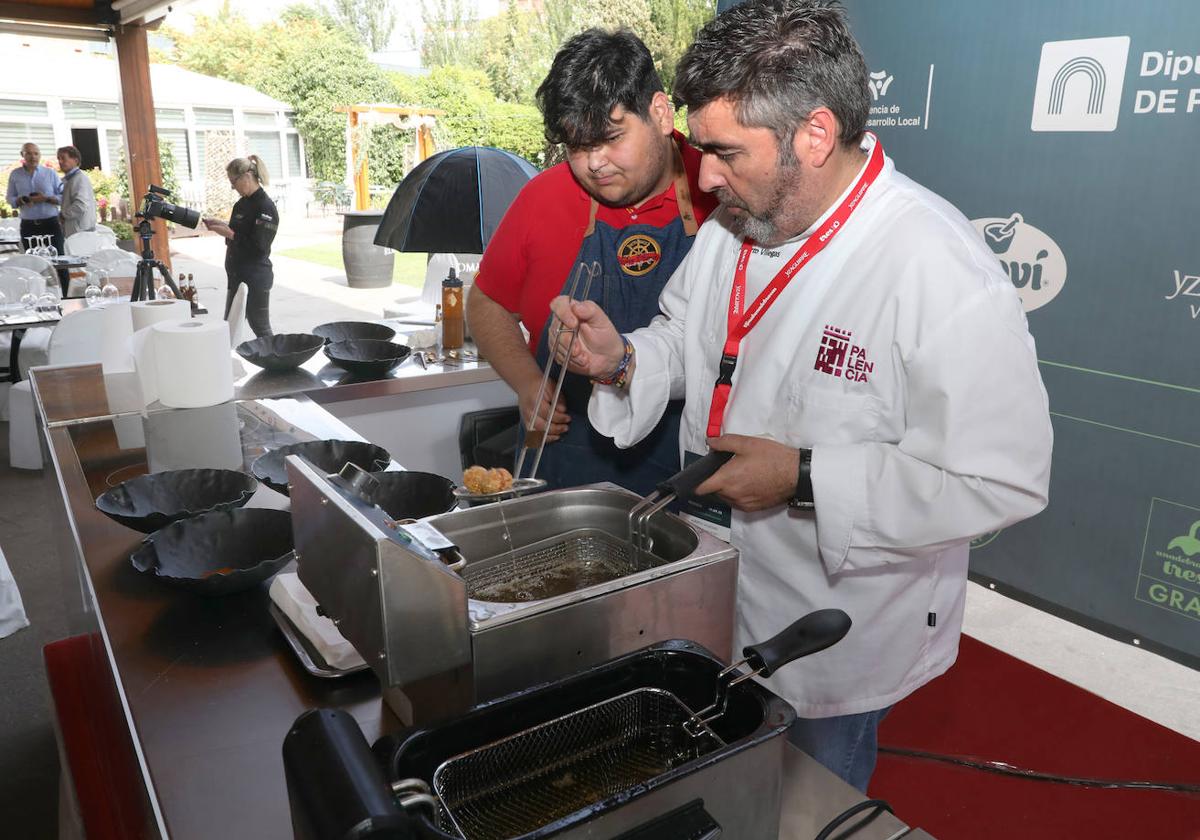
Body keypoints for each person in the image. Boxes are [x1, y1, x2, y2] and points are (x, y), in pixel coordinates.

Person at [550, 0, 1053, 792]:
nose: (702, 175)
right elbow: (685, 337)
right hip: (715, 585)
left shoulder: (937, 268)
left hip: (832, 619)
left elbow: (1003, 478)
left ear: (814, 136)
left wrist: (805, 476)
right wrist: (619, 362)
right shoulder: (738, 223)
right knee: (715, 786)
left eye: (721, 151)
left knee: (803, 801)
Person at [467, 28, 717, 496]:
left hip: (680, 479)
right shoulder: (543, 197)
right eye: (577, 146)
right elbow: (485, 302)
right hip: (562, 467)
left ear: (660, 113)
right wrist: (527, 383)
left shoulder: (721, 191)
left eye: (610, 138)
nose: (594, 164)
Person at [203, 155, 278, 338]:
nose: (233, 187)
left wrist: (229, 234)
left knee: (260, 327)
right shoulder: (241, 204)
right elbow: (237, 233)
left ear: (246, 176)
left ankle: (278, 363)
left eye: (233, 182)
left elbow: (259, 247)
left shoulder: (265, 207)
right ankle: (223, 364)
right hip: (236, 275)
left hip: (255, 277)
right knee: (229, 325)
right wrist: (220, 224)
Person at [6, 143, 63, 256]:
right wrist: (20, 200)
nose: (33, 157)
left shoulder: (50, 173)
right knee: (32, 262)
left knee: (59, 258)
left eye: (36, 153)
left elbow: (63, 196)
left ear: (40, 155)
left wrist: (45, 198)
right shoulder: (15, 174)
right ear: (22, 155)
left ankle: (61, 275)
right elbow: (9, 197)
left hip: (50, 223)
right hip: (28, 225)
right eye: (29, 153)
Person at [56, 145, 97, 239]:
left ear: (76, 160)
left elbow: (80, 205)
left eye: (63, 158)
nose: (60, 162)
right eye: (59, 159)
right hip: (76, 231)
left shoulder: (79, 179)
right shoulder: (69, 179)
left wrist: (63, 215)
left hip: (81, 232)